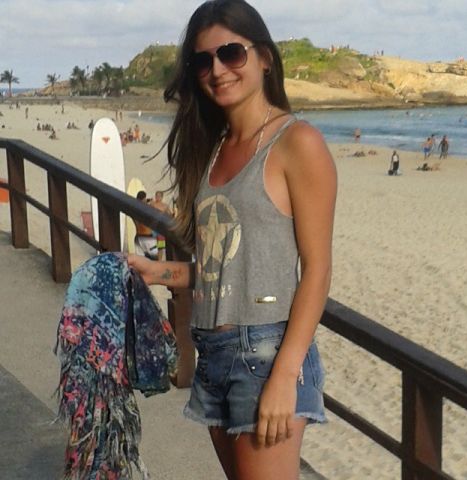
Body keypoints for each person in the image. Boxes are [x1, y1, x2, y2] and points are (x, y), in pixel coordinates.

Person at [128, 1, 336, 478]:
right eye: (203, 61)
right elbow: (222, 270)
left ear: (264, 58)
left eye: (231, 53)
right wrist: (157, 271)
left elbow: (318, 269)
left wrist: (284, 376)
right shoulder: (214, 148)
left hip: (265, 355)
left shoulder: (297, 143)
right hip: (214, 356)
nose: (218, 70)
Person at [133, 191, 158, 260]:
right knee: (154, 259)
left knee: (140, 261)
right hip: (148, 238)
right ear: (144, 199)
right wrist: (152, 205)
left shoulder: (133, 208)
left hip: (138, 237)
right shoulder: (146, 209)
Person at [150, 191, 173, 260]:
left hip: (161, 228)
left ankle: (159, 260)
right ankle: (154, 259)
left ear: (162, 197)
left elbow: (170, 214)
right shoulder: (152, 204)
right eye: (156, 196)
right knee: (152, 245)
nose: (157, 197)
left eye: (159, 196)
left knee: (160, 246)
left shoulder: (165, 206)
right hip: (153, 227)